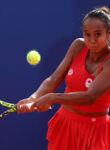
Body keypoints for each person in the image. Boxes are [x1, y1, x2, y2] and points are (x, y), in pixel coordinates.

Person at [17, 6, 110, 150]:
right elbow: (54, 79)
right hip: (65, 124)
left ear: (108, 34)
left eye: (98, 34)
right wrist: (33, 98)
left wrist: (52, 98)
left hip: (95, 131)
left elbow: (90, 97)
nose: (92, 40)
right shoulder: (78, 45)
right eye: (87, 34)